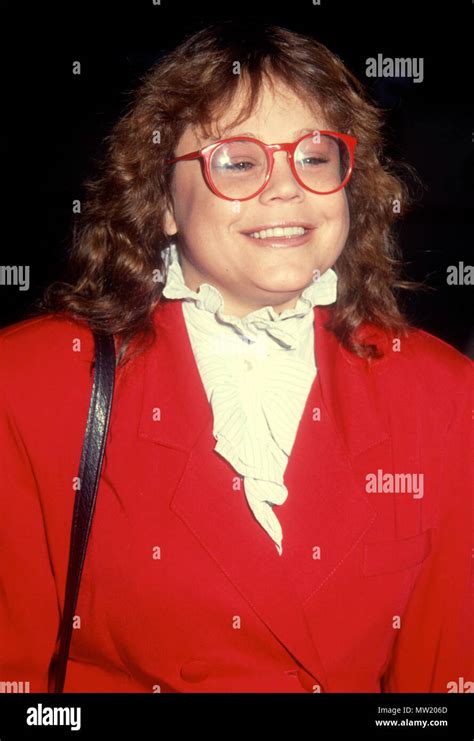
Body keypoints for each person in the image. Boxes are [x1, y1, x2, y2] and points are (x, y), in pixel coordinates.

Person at [0, 20, 472, 694]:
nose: (287, 188)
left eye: (314, 155)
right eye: (239, 160)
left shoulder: (444, 394)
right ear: (162, 199)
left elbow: (440, 678)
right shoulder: (29, 385)